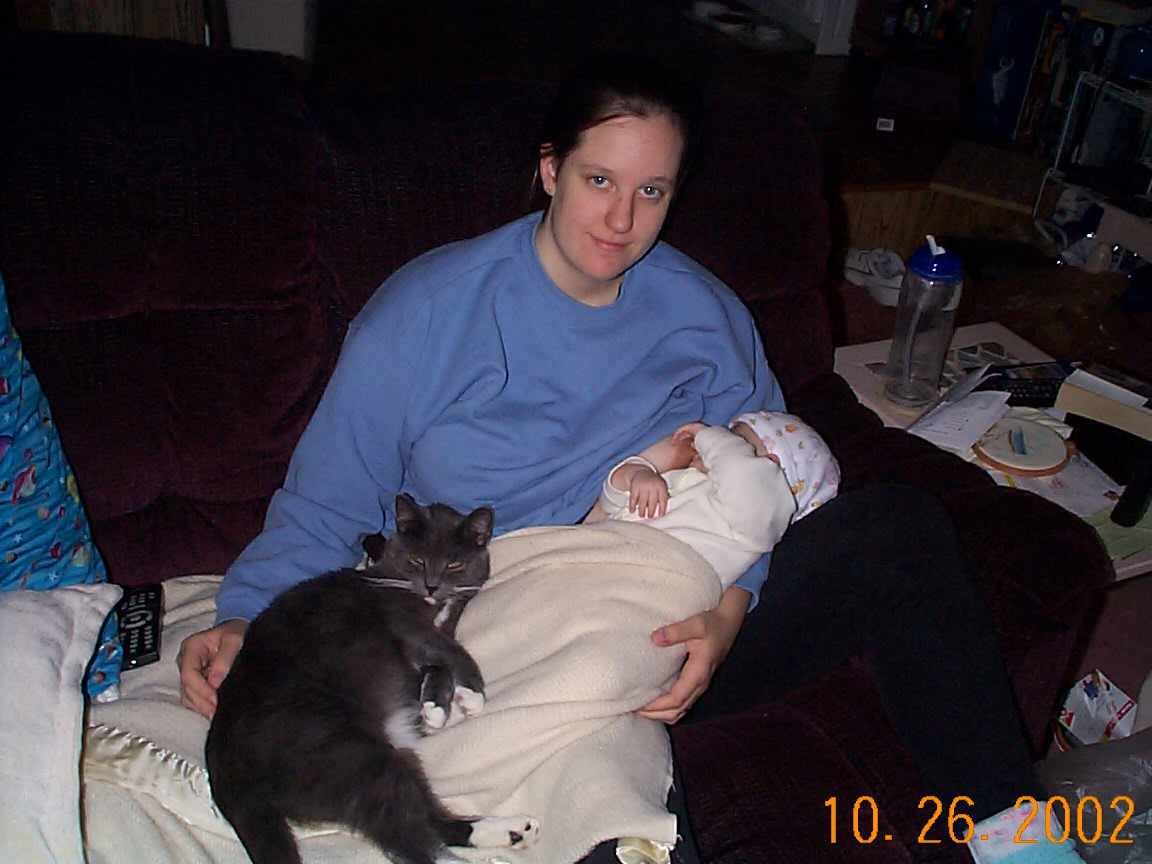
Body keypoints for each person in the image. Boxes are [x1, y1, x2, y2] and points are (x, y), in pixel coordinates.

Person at [178, 56, 1083, 864]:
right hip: (511, 627)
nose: (621, 219)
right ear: (549, 169)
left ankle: (1022, 843)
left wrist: (731, 610)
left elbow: (763, 471)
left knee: (899, 526)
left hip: (681, 603)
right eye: (599, 180)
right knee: (615, 818)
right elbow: (327, 504)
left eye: (652, 191)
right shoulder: (424, 314)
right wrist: (248, 619)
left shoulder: (705, 314)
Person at [583, 412, 839, 591]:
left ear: (769, 467)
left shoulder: (755, 523)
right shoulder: (685, 478)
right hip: (597, 554)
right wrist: (638, 475)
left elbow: (744, 476)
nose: (713, 444)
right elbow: (610, 501)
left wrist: (710, 437)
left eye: (736, 442)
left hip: (653, 585)